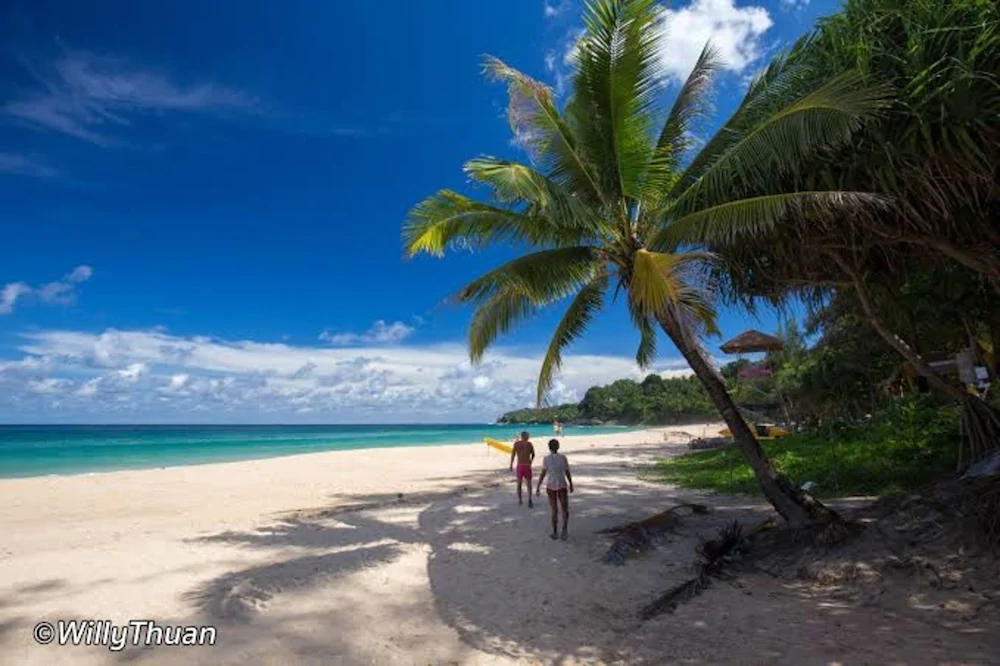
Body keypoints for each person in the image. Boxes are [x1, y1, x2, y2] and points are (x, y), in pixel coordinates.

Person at [536, 438, 573, 540]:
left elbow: (543, 473)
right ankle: (564, 530)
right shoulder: (563, 458)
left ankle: (555, 532)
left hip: (551, 486)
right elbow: (567, 472)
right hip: (562, 485)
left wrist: (538, 486)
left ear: (549, 448)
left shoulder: (546, 459)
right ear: (558, 447)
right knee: (565, 509)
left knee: (554, 510)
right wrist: (571, 483)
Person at [509, 431, 535, 508]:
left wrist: (511, 464)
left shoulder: (516, 444)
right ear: (525, 436)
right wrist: (531, 461)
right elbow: (533, 454)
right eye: (528, 435)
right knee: (529, 484)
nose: (529, 436)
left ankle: (520, 500)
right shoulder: (529, 444)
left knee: (519, 484)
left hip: (520, 466)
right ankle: (530, 500)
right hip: (527, 465)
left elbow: (513, 454)